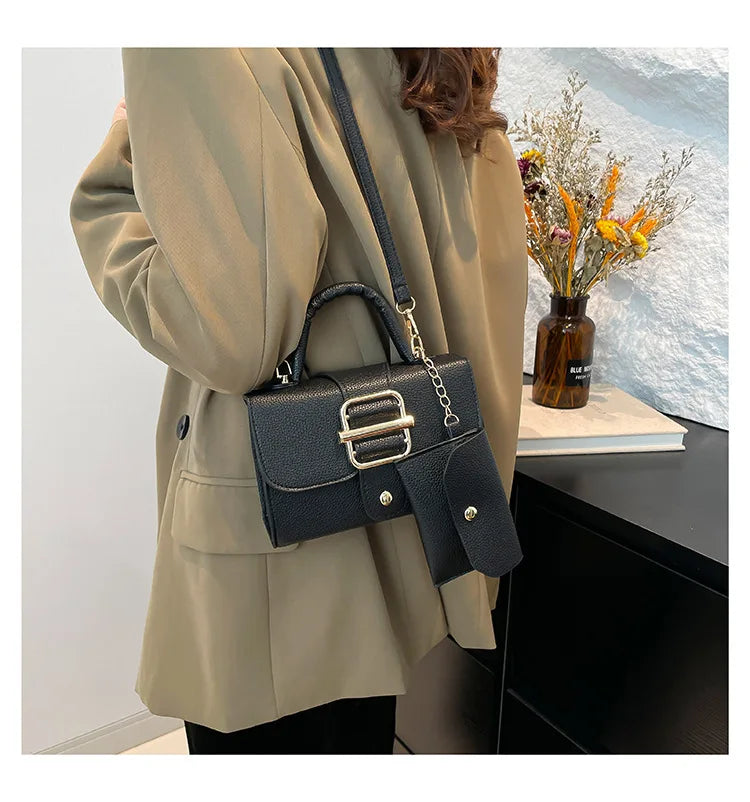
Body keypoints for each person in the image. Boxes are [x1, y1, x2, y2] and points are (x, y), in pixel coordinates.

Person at [69, 47, 528, 755]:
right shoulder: (435, 44)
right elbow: (490, 294)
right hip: (402, 515)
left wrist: (117, 173)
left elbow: (228, 334)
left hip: (275, 562)